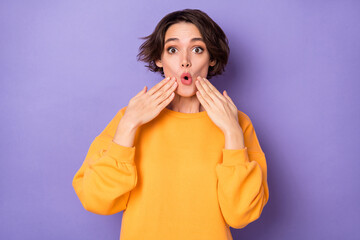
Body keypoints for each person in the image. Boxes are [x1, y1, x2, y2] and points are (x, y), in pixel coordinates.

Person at [72, 8, 269, 240]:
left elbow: (241, 215)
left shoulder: (237, 123)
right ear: (160, 59)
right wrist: (127, 128)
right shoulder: (130, 118)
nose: (185, 62)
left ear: (212, 58)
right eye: (173, 49)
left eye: (197, 49)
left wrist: (232, 133)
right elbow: (97, 200)